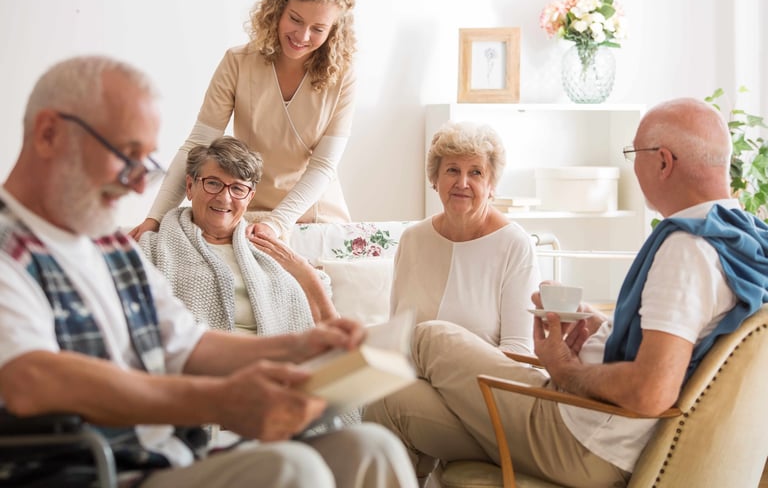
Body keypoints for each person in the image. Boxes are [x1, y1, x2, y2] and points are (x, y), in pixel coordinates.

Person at [0, 55, 416, 488]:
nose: (140, 186)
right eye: (126, 155)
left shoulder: (110, 246)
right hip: (95, 470)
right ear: (49, 133)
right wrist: (219, 402)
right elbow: (31, 379)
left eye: (146, 162)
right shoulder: (8, 246)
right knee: (292, 469)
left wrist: (303, 346)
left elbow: (188, 344)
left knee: (369, 448)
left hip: (173, 456)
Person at [364, 98, 768, 487]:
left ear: (662, 161)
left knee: (430, 336)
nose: (633, 166)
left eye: (634, 152)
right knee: (393, 403)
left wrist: (567, 372)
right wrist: (601, 327)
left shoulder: (686, 250)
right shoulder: (737, 239)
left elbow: (652, 390)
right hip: (587, 431)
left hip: (581, 439)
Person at [130, 0, 357, 242]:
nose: (303, 36)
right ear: (277, 10)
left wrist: (278, 223)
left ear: (334, 30)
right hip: (248, 208)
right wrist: (156, 218)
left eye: (318, 28)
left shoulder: (342, 77)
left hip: (312, 213)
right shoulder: (237, 63)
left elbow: (324, 165)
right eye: (295, 19)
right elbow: (198, 143)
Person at [139, 136, 338, 335]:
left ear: (250, 197)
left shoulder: (268, 250)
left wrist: (303, 270)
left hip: (277, 356)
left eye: (237, 188)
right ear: (190, 187)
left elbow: (329, 324)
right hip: (202, 361)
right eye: (213, 183)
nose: (224, 198)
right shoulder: (155, 248)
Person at [391, 121, 540, 354]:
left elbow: (518, 349)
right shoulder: (413, 239)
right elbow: (396, 335)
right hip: (413, 379)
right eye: (452, 170)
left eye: (475, 172)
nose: (462, 183)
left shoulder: (514, 245)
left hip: (482, 385)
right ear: (435, 179)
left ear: (491, 185)